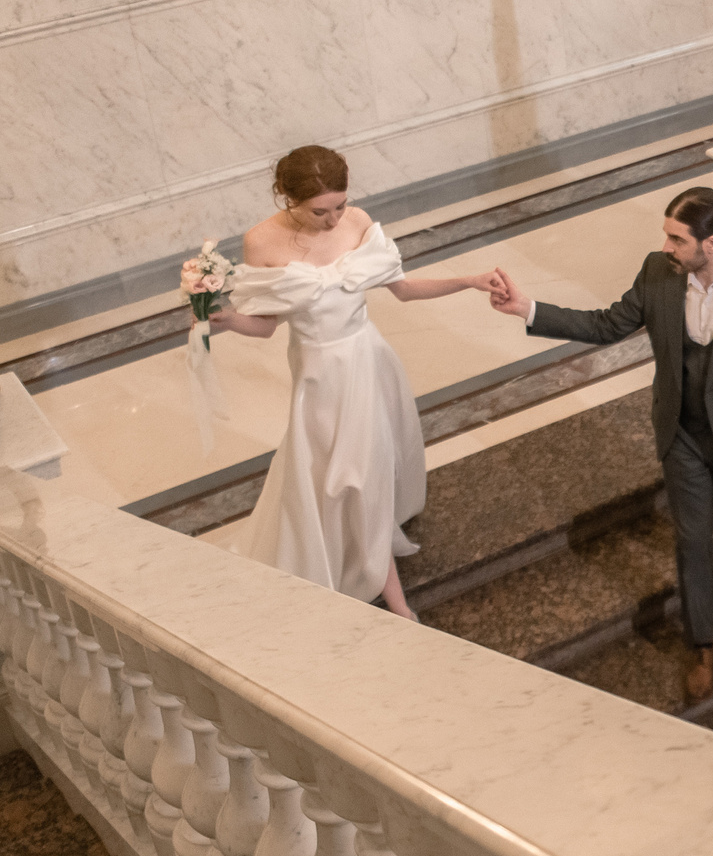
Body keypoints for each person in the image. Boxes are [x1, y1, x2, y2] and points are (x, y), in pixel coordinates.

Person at [488, 186, 713, 703]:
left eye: (676, 239)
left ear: (711, 244)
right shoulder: (659, 272)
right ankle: (701, 643)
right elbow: (606, 324)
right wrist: (527, 308)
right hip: (682, 433)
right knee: (692, 540)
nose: (665, 247)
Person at [210, 145, 499, 620]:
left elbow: (403, 290)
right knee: (335, 476)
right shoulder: (260, 242)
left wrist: (468, 281)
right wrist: (223, 319)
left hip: (368, 363)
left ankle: (393, 597)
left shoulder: (358, 222)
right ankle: (356, 562)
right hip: (319, 378)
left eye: (339, 206)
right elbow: (265, 326)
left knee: (361, 475)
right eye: (319, 211)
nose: (333, 220)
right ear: (287, 197)